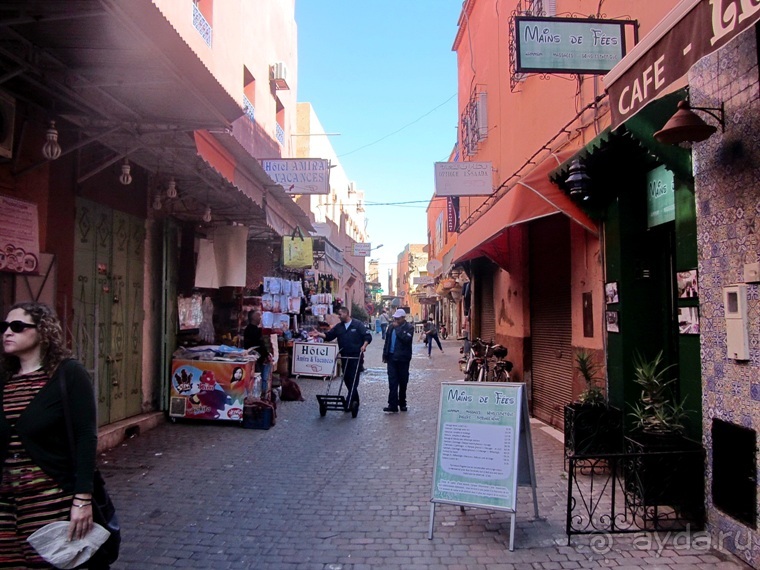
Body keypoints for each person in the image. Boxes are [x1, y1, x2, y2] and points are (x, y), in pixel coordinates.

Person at [0, 302, 99, 566]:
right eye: (5, 327)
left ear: (43, 332)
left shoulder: (68, 375)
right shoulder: (5, 380)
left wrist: (82, 498)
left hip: (50, 499)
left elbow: (86, 437)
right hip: (7, 505)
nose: (8, 332)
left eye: (17, 327)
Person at [310, 306, 371, 413]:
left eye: (340, 314)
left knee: (353, 378)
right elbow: (329, 336)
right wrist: (319, 334)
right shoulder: (339, 327)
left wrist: (364, 346)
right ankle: (355, 399)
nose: (339, 316)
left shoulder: (357, 325)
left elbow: (367, 336)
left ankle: (349, 400)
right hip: (344, 355)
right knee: (347, 378)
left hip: (356, 356)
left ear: (346, 313)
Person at [382, 309, 415, 413]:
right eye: (395, 318)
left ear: (403, 318)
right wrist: (385, 354)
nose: (396, 320)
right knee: (392, 382)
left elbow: (406, 339)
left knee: (403, 381)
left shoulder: (409, 328)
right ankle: (392, 404)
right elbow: (387, 341)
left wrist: (398, 329)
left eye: (398, 319)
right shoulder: (391, 327)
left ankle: (402, 403)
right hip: (391, 357)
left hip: (403, 358)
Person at [243, 309, 273, 399]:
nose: (260, 318)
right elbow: (259, 344)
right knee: (257, 376)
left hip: (256, 357)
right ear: (253, 318)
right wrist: (266, 355)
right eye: (258, 316)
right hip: (255, 358)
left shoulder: (251, 329)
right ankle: (258, 395)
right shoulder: (253, 330)